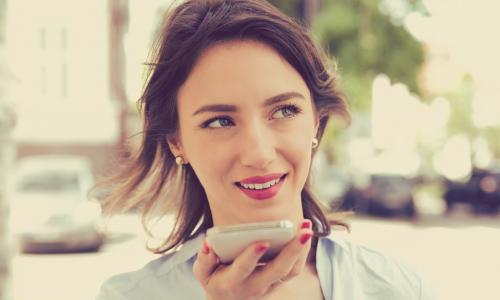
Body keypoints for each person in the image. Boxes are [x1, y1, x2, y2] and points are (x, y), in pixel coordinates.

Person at [96, 0, 433, 299]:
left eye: (285, 111)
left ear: (316, 122)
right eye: (220, 121)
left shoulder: (396, 288)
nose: (259, 153)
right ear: (176, 141)